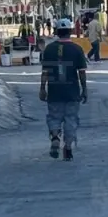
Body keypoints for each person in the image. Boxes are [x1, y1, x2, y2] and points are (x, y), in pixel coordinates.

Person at [39, 18, 88, 161]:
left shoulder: (49, 49)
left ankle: (55, 136)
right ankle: (67, 148)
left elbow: (45, 72)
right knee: (71, 119)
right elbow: (82, 72)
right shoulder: (77, 49)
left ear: (57, 31)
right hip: (72, 91)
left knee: (54, 116)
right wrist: (84, 89)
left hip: (54, 91)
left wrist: (42, 88)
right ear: (71, 31)